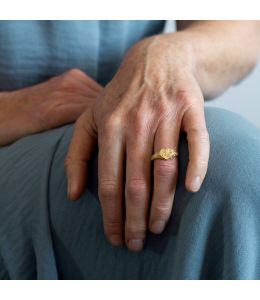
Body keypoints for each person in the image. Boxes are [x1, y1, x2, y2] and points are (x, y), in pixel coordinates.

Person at [0, 20, 260, 279]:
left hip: (119, 129)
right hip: (16, 145)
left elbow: (240, 28)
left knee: (239, 165)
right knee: (232, 174)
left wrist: (169, 54)